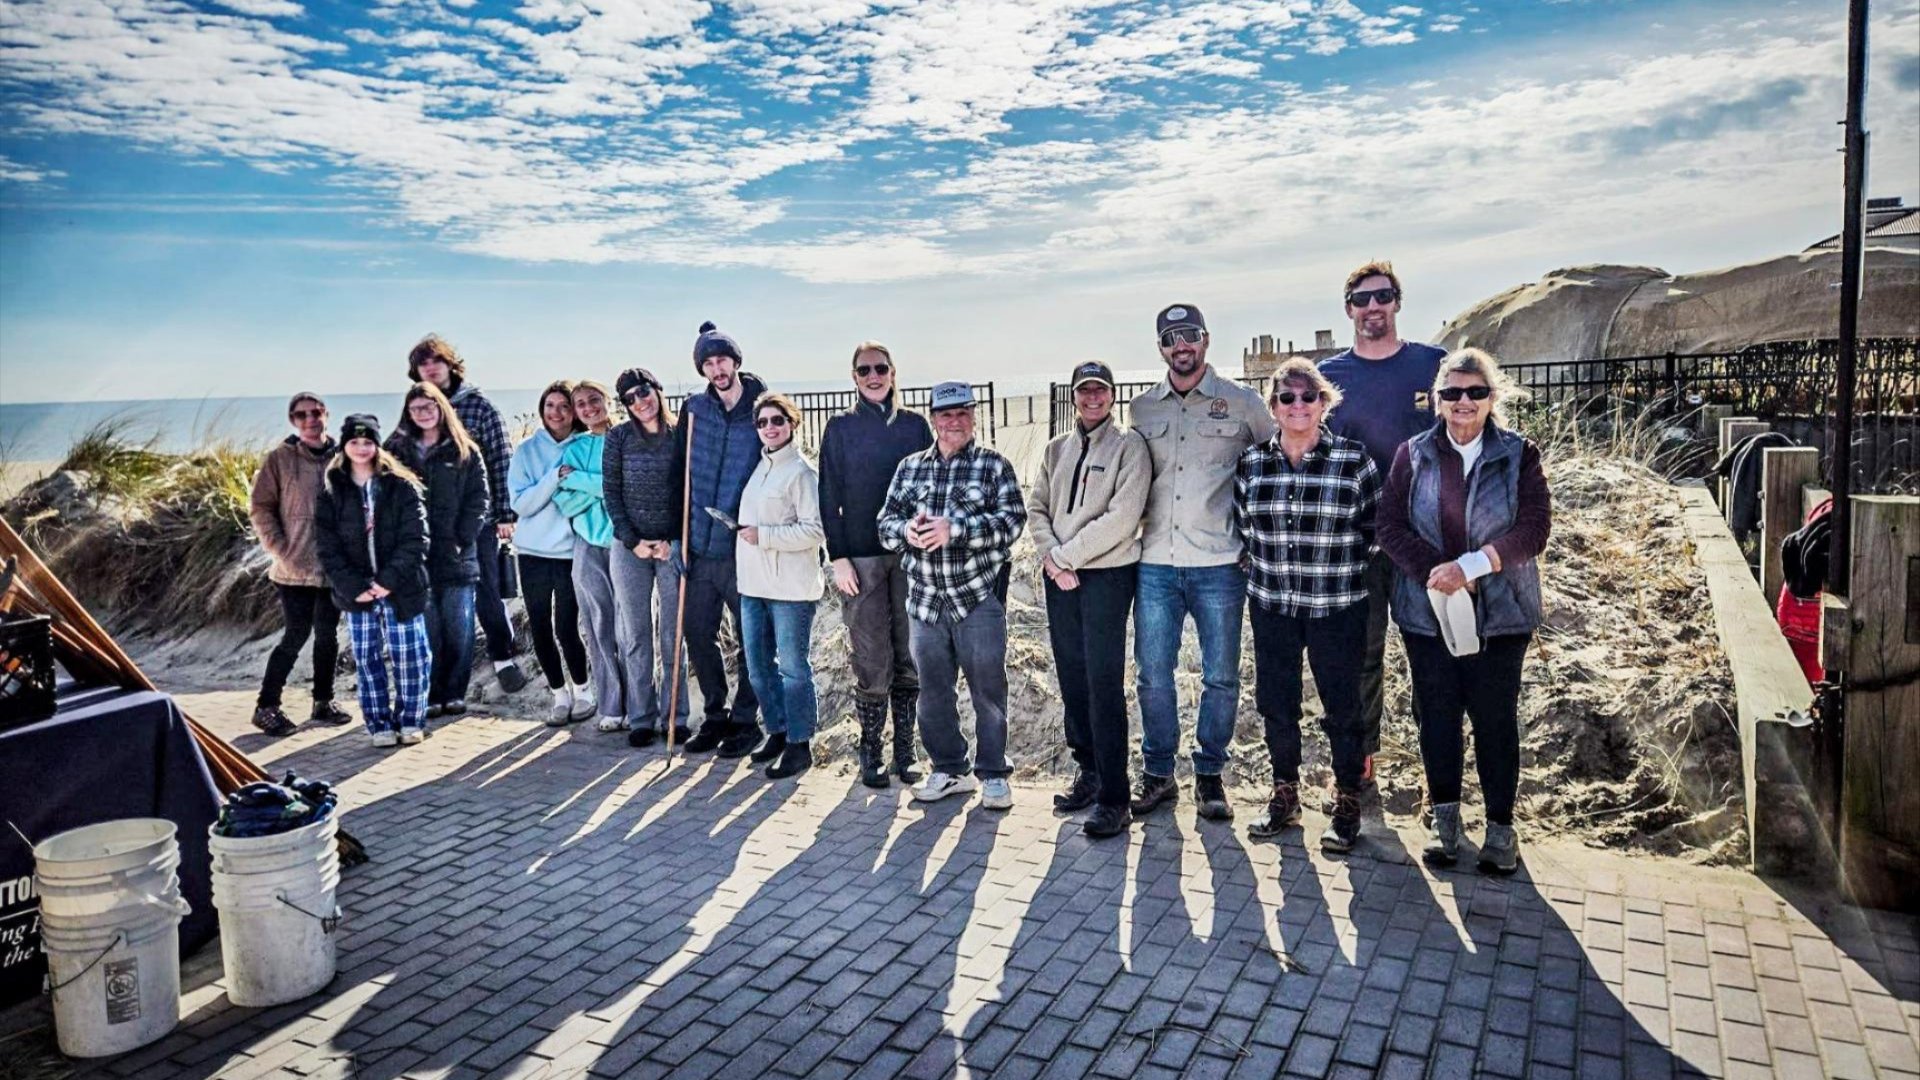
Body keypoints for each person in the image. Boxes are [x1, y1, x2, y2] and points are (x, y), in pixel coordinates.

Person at [1377, 347, 1550, 875]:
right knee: (1438, 717)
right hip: (1428, 612)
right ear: (1436, 400)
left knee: (1495, 719)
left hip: (1501, 611)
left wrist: (1472, 567)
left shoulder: (1519, 454)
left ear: (1492, 396)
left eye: (1475, 391)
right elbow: (1389, 525)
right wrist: (1438, 572)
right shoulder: (1413, 454)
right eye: (1451, 392)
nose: (1463, 402)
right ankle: (1446, 824)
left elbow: (1533, 529)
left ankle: (1501, 829)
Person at [1129, 303, 1277, 822]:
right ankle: (1158, 775)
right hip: (1155, 566)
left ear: (1206, 340)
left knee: (1220, 676)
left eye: (1189, 334)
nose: (1180, 345)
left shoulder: (1243, 403)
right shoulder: (1142, 410)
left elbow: (1276, 463)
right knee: (1152, 675)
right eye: (1170, 338)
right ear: (1161, 348)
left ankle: (1210, 776)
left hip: (1219, 565)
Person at [1235, 360, 1382, 853]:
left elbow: (1374, 530)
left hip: (1336, 605)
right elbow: (1243, 529)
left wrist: (1342, 570)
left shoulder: (1354, 462)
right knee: (1277, 704)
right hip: (1273, 604)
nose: (1298, 406)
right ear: (1273, 407)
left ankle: (1345, 800)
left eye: (1308, 396)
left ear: (1324, 402)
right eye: (1286, 398)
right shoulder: (1252, 464)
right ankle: (1284, 794)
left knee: (1343, 707)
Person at [1316, 262, 1447, 783]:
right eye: (1362, 299)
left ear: (1397, 301)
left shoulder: (1432, 365)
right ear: (1349, 308)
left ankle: (1440, 776)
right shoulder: (1332, 376)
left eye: (1383, 296)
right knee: (1362, 657)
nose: (1373, 307)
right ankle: (1362, 768)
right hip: (1358, 541)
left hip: (1423, 540)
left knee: (1430, 657)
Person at [877, 381, 1026, 809]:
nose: (954, 422)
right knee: (933, 692)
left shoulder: (994, 465)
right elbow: (885, 523)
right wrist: (907, 531)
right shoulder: (909, 468)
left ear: (974, 416)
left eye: (962, 413)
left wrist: (954, 531)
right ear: (933, 419)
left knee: (988, 691)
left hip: (976, 599)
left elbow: (1012, 523)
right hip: (924, 602)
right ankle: (948, 769)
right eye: (945, 415)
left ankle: (994, 773)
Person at [1027, 361, 1150, 838]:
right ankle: (1089, 772)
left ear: (1112, 396)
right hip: (1060, 578)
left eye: (1100, 391)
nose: (1092, 398)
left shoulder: (1129, 446)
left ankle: (1116, 798)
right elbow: (1037, 506)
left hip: (1105, 577)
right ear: (1074, 397)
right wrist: (1051, 560)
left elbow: (1123, 517)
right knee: (1072, 678)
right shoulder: (1057, 448)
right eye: (1084, 391)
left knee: (1103, 684)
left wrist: (1067, 557)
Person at [817, 341, 934, 787]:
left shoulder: (914, 426)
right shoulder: (841, 427)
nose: (873, 375)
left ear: (893, 371)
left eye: (880, 368)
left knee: (910, 653)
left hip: (909, 555)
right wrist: (839, 556)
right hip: (861, 557)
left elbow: (932, 481)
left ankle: (905, 751)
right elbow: (829, 495)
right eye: (864, 369)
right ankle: (871, 751)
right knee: (870, 655)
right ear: (854, 376)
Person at [407, 334, 529, 692]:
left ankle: (503, 656)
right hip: (430, 525)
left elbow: (500, 458)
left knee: (486, 588)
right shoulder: (417, 410)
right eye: (423, 364)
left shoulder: (478, 407)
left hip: (479, 518)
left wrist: (506, 513)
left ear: (450, 364)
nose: (430, 368)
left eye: (436, 361)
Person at [313, 414, 433, 748]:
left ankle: (411, 720)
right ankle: (379, 723)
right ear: (344, 445)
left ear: (378, 446)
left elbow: (416, 538)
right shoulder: (331, 490)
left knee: (410, 656)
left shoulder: (401, 486)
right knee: (367, 659)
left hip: (401, 589)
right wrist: (355, 586)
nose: (362, 448)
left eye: (368, 442)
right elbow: (327, 547)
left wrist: (388, 581)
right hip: (358, 594)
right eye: (355, 442)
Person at [676, 321, 765, 758]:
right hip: (698, 543)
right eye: (708, 363)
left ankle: (747, 721)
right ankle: (715, 714)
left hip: (740, 546)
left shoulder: (761, 407)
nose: (717, 369)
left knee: (751, 637)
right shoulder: (693, 409)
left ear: (735, 361)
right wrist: (679, 536)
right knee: (697, 632)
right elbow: (680, 472)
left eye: (722, 360)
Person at [247, 391, 353, 736]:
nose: (310, 419)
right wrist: (280, 547)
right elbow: (260, 506)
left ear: (326, 414)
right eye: (302, 414)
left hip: (332, 567)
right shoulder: (280, 458)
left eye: (316, 412)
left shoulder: (342, 455)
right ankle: (267, 706)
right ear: (293, 420)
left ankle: (323, 701)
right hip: (293, 568)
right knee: (296, 634)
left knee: (327, 636)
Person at [385, 383, 489, 720]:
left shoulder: (464, 450)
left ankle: (454, 693)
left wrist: (463, 537)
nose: (423, 413)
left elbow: (479, 498)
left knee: (458, 629)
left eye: (429, 406)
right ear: (408, 412)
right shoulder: (394, 450)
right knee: (427, 631)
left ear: (441, 407)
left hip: (457, 555)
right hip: (415, 558)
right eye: (416, 408)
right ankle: (429, 694)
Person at [735, 393, 825, 780]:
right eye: (763, 422)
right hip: (753, 586)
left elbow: (815, 530)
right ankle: (776, 730)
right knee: (757, 668)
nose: (770, 427)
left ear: (793, 423)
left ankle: (800, 743)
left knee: (792, 668)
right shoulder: (760, 468)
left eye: (778, 420)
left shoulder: (802, 473)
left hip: (790, 589)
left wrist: (765, 535)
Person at [603, 367, 691, 748]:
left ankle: (676, 716)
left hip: (672, 546)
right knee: (636, 636)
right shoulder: (618, 438)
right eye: (630, 398)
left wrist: (672, 538)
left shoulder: (680, 437)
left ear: (657, 390)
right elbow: (612, 494)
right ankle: (641, 717)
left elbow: (688, 492)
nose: (640, 402)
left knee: (674, 635)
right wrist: (633, 540)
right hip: (631, 549)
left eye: (644, 392)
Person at [508, 381, 596, 725]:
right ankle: (559, 697)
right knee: (541, 627)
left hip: (571, 552)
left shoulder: (586, 445)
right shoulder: (526, 451)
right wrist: (555, 478)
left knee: (567, 628)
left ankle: (583, 691)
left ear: (574, 411)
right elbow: (521, 504)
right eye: (550, 406)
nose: (556, 413)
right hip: (531, 553)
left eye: (564, 406)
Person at [552, 380, 627, 733]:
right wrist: (600, 486)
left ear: (607, 401)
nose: (587, 407)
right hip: (587, 545)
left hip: (625, 543)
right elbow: (564, 501)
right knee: (599, 627)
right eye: (579, 403)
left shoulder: (625, 438)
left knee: (629, 629)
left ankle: (638, 705)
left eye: (593, 400)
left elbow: (624, 487)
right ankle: (611, 706)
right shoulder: (574, 448)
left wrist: (580, 480)